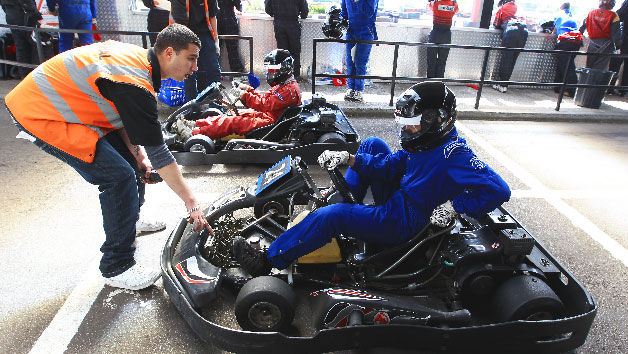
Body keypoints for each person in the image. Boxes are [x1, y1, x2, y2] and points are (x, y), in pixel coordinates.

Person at [4, 24, 213, 290]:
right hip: (41, 112)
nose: (194, 67)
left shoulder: (139, 68)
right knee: (118, 177)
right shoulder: (134, 82)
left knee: (130, 165)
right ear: (169, 53)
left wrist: (137, 157)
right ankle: (117, 266)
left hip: (69, 105)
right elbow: (160, 153)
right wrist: (191, 203)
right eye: (191, 58)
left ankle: (130, 220)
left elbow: (122, 118)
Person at [231, 81, 512, 277]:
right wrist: (348, 158)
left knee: (334, 216)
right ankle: (340, 198)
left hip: (406, 220)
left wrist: (456, 206)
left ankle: (268, 260)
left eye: (412, 123)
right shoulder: (425, 143)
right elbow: (391, 166)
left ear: (434, 120)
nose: (408, 129)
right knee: (373, 144)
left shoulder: (455, 155)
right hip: (402, 198)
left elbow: (499, 189)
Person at [177, 49, 301, 140]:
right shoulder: (284, 85)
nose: (270, 73)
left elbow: (265, 104)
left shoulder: (289, 90)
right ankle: (196, 124)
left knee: (234, 122)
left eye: (272, 70)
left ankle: (194, 133)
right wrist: (248, 89)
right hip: (268, 117)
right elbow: (265, 99)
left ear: (284, 68)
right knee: (231, 114)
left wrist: (244, 95)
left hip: (270, 124)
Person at [171, 0, 222, 101]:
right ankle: (192, 107)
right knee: (189, 70)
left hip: (205, 33)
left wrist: (216, 40)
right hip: (186, 32)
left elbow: (212, 16)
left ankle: (215, 103)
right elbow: (180, 22)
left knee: (214, 69)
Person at [341, 0, 378, 103]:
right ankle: (350, 89)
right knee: (350, 62)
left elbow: (368, 13)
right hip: (351, 31)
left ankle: (359, 91)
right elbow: (344, 12)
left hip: (366, 31)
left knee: (360, 63)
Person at [264, 0, 308, 80]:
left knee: (282, 52)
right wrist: (301, 15)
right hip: (293, 23)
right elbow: (305, 12)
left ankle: (284, 76)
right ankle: (295, 75)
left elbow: (267, 9)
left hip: (279, 23)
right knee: (295, 51)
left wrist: (275, 14)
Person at [492, 0, 528, 93]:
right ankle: (505, 84)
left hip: (511, 31)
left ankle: (502, 85)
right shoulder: (520, 9)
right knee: (513, 59)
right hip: (524, 33)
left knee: (506, 58)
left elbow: (496, 25)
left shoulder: (503, 8)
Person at [0, 0, 43, 78]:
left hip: (11, 15)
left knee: (20, 47)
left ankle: (24, 74)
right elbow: (27, 3)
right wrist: (38, 16)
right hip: (24, 16)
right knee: (34, 46)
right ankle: (34, 75)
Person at [580, 0, 621, 71]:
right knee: (600, 68)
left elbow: (582, 27)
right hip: (606, 45)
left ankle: (586, 81)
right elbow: (616, 34)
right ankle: (595, 81)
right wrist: (618, 45)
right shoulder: (614, 15)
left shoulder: (591, 13)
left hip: (592, 43)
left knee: (589, 66)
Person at [552, 2, 582, 97]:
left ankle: (574, 92)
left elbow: (555, 30)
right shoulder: (573, 16)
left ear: (561, 7)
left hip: (565, 41)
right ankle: (558, 87)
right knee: (564, 64)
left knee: (567, 66)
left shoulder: (559, 15)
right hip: (576, 41)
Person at [426, 0, 458, 78]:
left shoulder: (436, 3)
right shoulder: (454, 4)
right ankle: (439, 84)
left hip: (435, 35)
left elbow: (429, 5)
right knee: (442, 62)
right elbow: (456, 10)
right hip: (446, 37)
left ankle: (430, 84)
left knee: (431, 62)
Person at [217, 0, 245, 73]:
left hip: (215, 19)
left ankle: (215, 73)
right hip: (229, 19)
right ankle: (237, 72)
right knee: (232, 49)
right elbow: (238, 6)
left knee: (216, 48)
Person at [608, 0, 628, 96]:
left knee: (615, 64)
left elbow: (618, 16)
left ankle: (610, 87)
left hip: (625, 41)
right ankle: (623, 90)